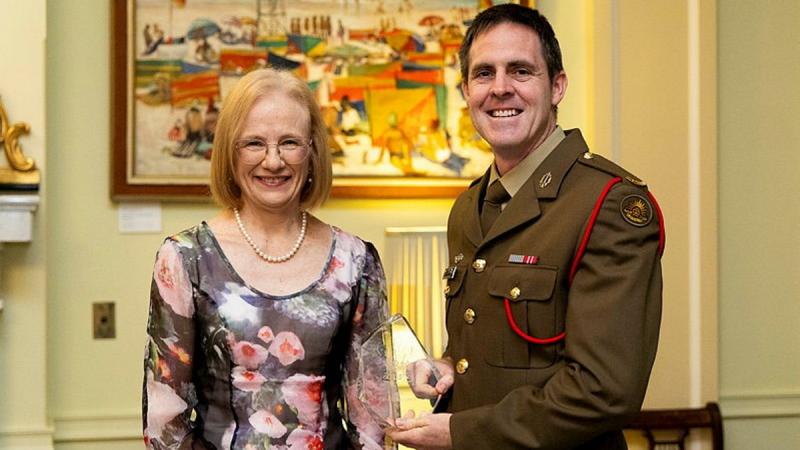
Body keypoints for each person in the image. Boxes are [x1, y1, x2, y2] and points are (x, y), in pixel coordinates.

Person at [389, 4, 665, 449]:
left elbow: (603, 391)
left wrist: (462, 431)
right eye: (483, 74)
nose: (500, 89)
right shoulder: (468, 208)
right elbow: (497, 355)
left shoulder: (608, 203)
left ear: (557, 86)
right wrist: (447, 368)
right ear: (465, 90)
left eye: (520, 71)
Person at [143, 68, 390, 450]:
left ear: (312, 150)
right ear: (230, 151)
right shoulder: (183, 259)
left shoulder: (357, 260)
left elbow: (371, 416)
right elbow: (165, 423)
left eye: (289, 142)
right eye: (254, 143)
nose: (273, 162)